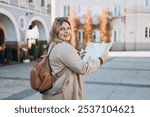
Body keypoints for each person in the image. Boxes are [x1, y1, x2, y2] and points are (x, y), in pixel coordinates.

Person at [42, 17, 109, 100]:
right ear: (56, 32)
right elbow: (83, 68)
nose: (67, 31)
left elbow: (64, 61)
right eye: (62, 29)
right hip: (64, 95)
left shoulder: (53, 44)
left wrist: (78, 55)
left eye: (68, 28)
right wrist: (101, 60)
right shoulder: (64, 48)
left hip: (55, 94)